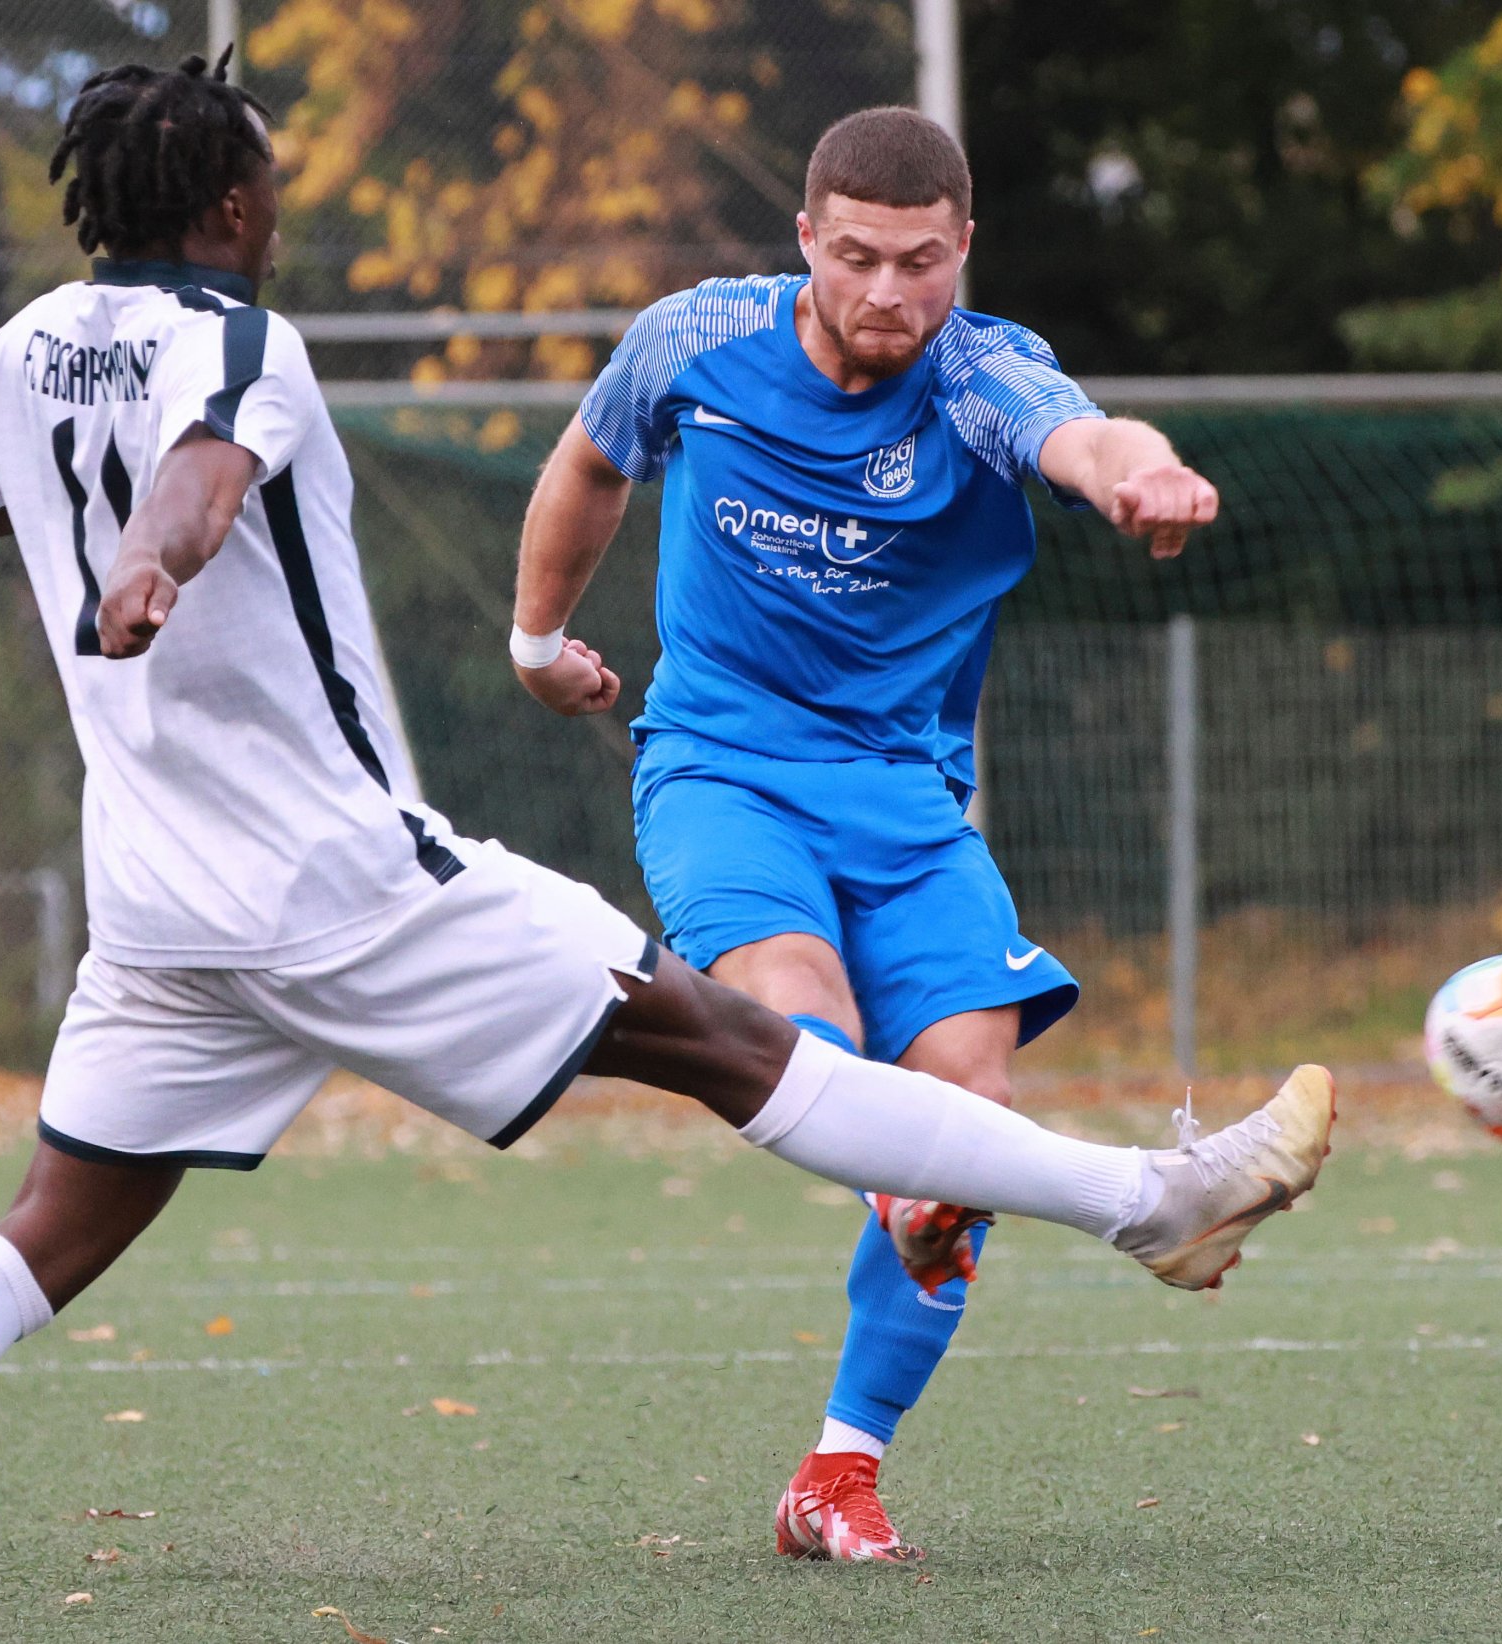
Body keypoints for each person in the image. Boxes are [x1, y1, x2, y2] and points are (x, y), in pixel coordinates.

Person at [0, 59, 1337, 1534]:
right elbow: (198, 479)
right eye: (275, 187)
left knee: (42, 1238)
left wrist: (111, 528)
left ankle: (884, 1421)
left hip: (157, 905)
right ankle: (1154, 1201)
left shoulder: (21, 349)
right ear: (239, 204)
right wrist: (151, 559)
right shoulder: (252, 347)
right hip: (342, 880)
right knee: (736, 1043)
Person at [512, 106, 1274, 1560]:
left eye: (919, 262)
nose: (886, 294)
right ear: (805, 239)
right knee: (808, 1024)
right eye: (855, 257)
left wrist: (1143, 478)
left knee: (969, 1105)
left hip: (911, 803)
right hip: (725, 770)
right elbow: (590, 464)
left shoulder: (980, 375)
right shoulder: (695, 342)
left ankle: (838, 1474)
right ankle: (940, 1183)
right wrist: (538, 639)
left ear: (962, 250)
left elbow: (1088, 436)